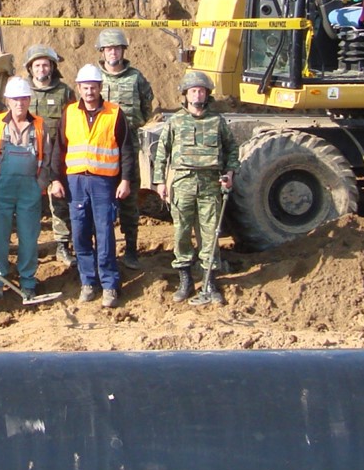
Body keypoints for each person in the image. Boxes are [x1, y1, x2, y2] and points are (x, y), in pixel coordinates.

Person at [49, 63, 137, 308]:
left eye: (94, 87)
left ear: (100, 88)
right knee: (79, 233)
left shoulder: (114, 113)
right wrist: (56, 178)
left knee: (105, 234)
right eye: (85, 87)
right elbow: (60, 148)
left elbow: (126, 150)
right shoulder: (69, 113)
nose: (89, 91)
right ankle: (88, 282)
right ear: (79, 88)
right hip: (76, 182)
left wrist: (126, 180)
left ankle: (109, 285)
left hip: (104, 182)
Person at [151, 70, 240, 306]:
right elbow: (162, 153)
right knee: (181, 233)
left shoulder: (217, 121)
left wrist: (230, 173)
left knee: (210, 235)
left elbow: (231, 149)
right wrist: (160, 181)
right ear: (186, 95)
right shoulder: (176, 122)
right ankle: (185, 280)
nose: (197, 94)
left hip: (211, 185)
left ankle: (209, 282)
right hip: (183, 184)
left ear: (207, 94)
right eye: (193, 91)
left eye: (201, 90)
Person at [0, 77, 55, 302]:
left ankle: (28, 282)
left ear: (29, 99)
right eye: (15, 99)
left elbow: (48, 157)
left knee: (29, 238)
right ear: (8, 101)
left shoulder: (40, 125)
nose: (19, 103)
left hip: (29, 190)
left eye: (23, 98)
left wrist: (40, 184)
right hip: (1, 188)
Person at [96, 28, 154, 269]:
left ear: (123, 51)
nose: (113, 52)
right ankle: (104, 251)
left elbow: (147, 106)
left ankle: (131, 250)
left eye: (117, 48)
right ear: (102, 52)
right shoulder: (95, 79)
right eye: (109, 49)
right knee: (102, 202)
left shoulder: (136, 77)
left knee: (129, 202)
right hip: (102, 149)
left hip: (129, 149)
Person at [24, 44, 75, 268]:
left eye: (45, 64)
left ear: (52, 67)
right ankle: (29, 247)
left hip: (56, 155)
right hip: (28, 155)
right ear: (30, 69)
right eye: (37, 65)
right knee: (28, 203)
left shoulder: (64, 92)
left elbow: (72, 122)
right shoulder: (22, 91)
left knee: (60, 202)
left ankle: (62, 245)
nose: (41, 69)